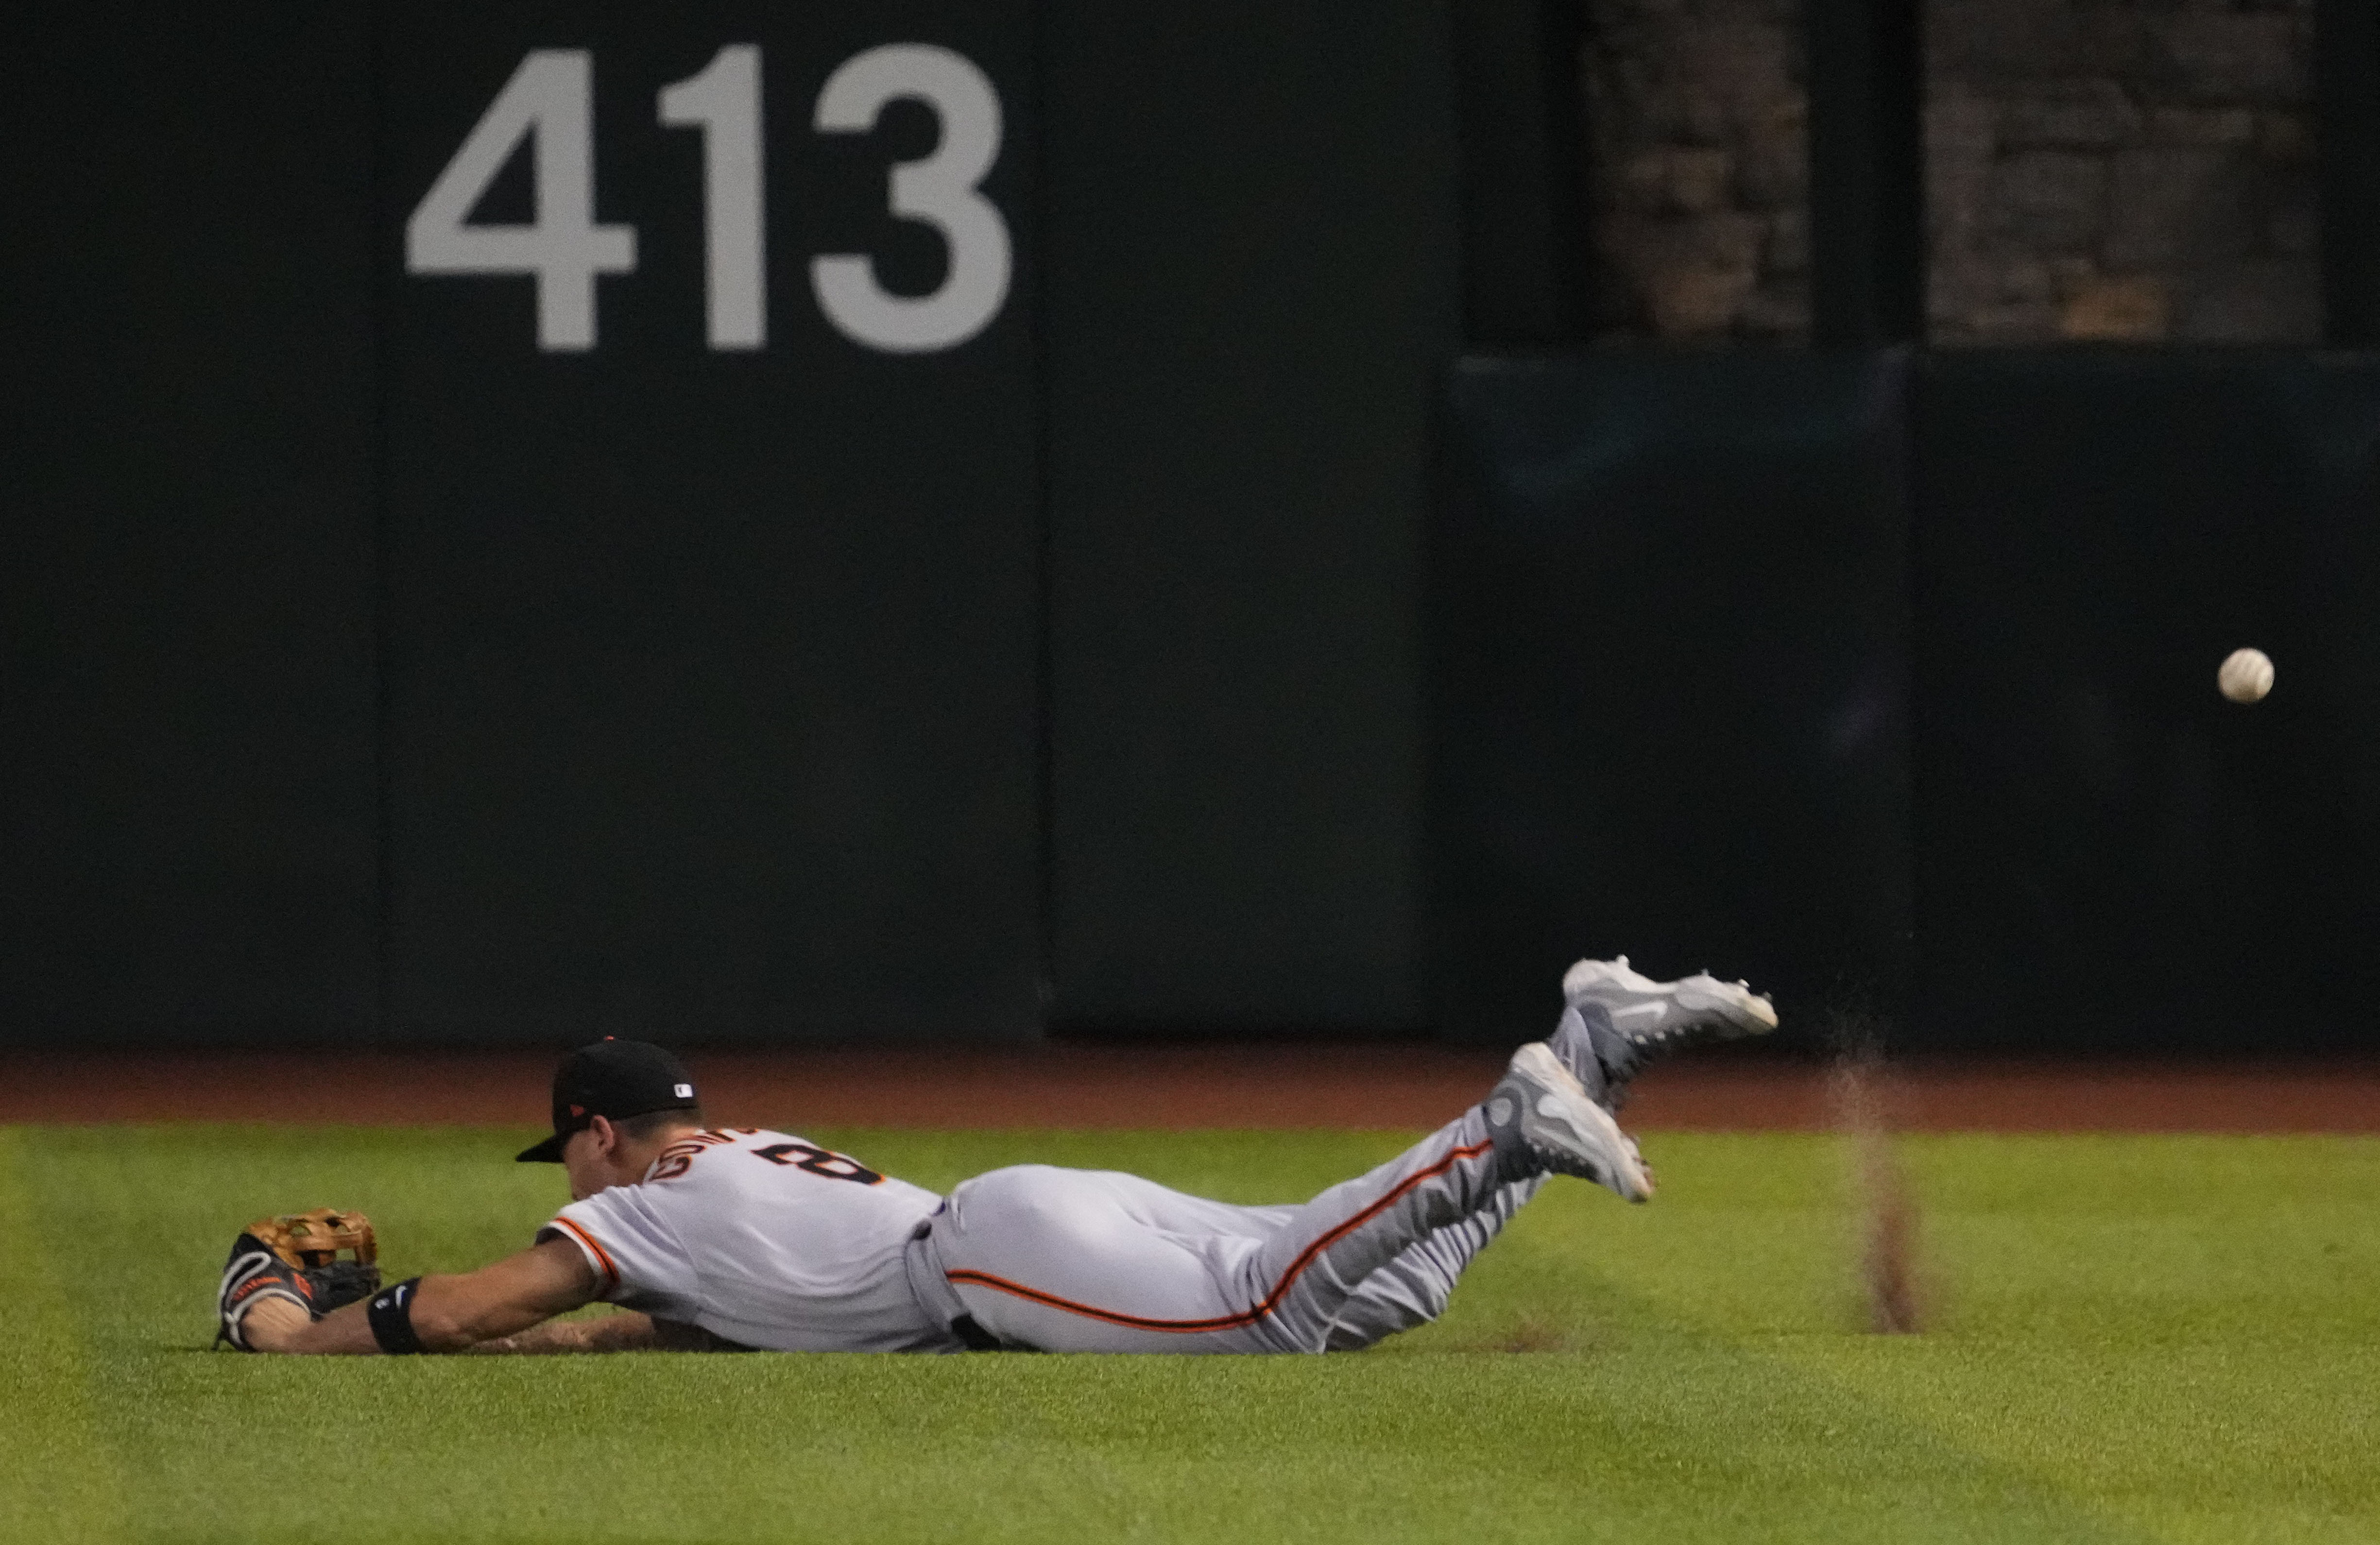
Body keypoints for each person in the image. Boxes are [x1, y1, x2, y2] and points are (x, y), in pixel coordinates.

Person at [217, 958, 1774, 1357]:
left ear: (603, 1134)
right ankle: (1592, 1041)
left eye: (561, 1154)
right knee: (1372, 1293)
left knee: (1278, 1309)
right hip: (1025, 1216)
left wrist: (298, 1332)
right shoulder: (740, 1163)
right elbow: (642, 1317)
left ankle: (1509, 1120)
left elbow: (491, 1305)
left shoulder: (652, 1204)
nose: (562, 1185)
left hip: (997, 1259)